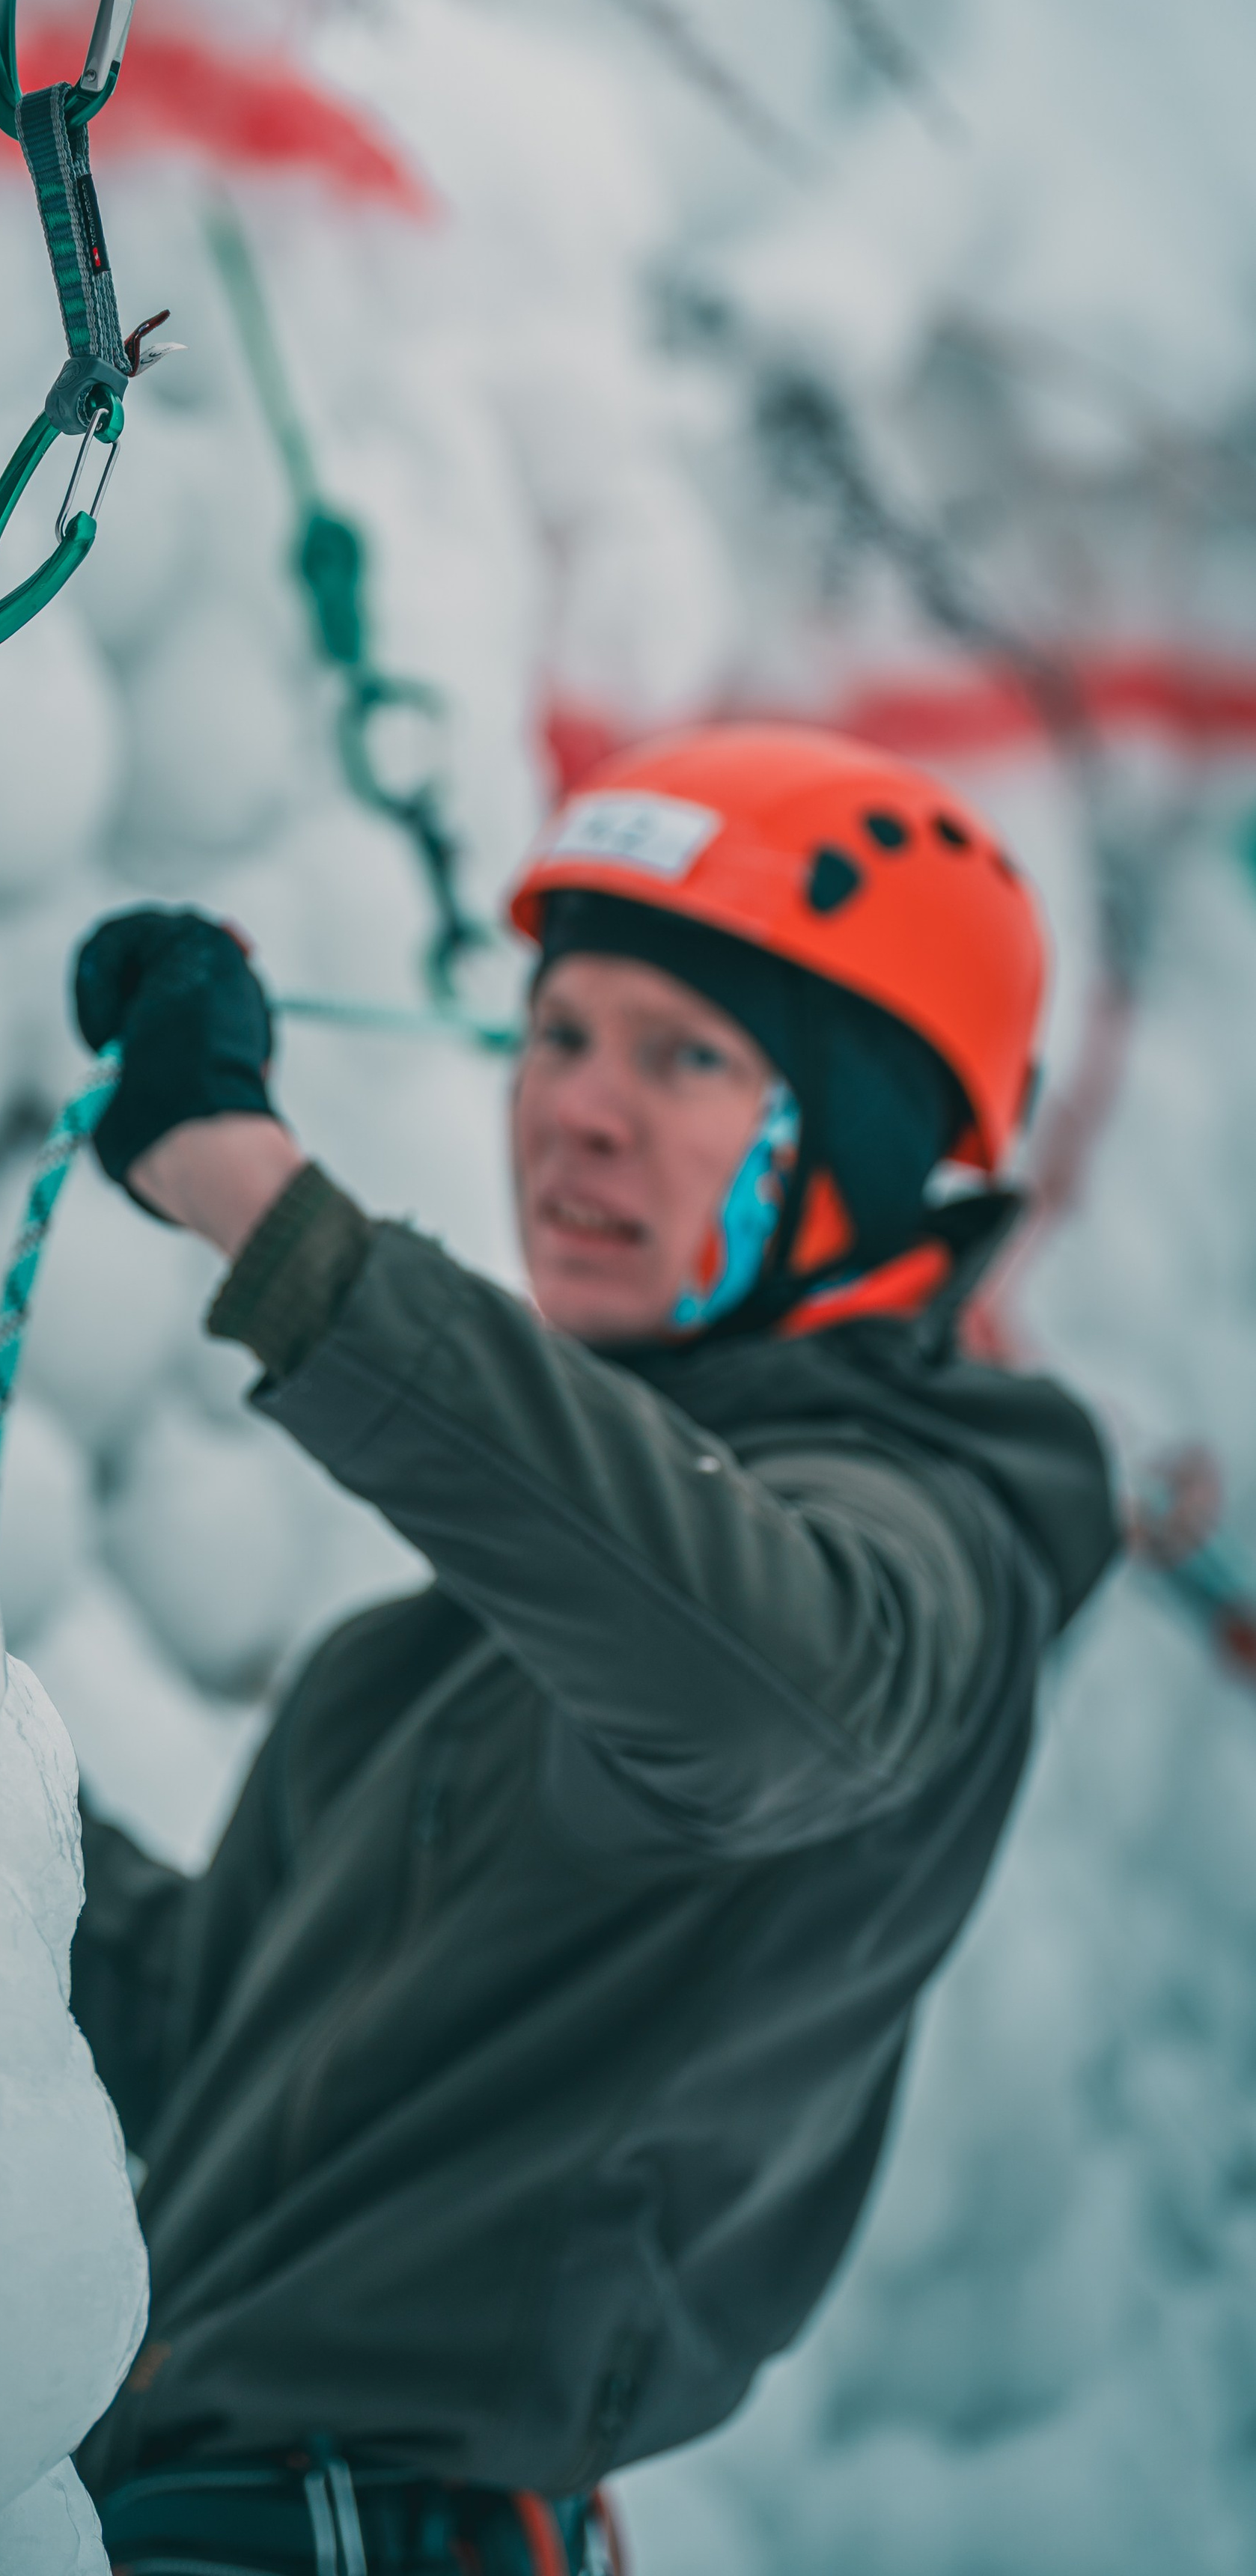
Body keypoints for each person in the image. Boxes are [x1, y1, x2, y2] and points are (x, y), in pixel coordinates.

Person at [62, 724, 1118, 2576]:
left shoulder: (917, 1551)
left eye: (683, 1057)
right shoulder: (465, 1641)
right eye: (556, 1035)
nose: (578, 1109)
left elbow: (761, 1683)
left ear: (861, 1152)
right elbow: (202, 2056)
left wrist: (257, 1203)